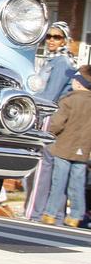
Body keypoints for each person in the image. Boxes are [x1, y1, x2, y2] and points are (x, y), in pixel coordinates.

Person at [25, 21, 79, 220]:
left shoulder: (61, 62)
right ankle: (40, 211)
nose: (51, 41)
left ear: (65, 40)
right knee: (43, 163)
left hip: (48, 116)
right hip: (47, 115)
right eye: (48, 36)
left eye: (56, 37)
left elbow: (50, 96)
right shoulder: (52, 61)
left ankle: (33, 212)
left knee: (41, 164)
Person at [40, 65, 91, 227]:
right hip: (83, 150)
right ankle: (76, 215)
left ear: (78, 83)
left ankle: (50, 213)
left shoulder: (68, 100)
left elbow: (57, 124)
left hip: (64, 147)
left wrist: (49, 133)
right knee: (77, 183)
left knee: (59, 182)